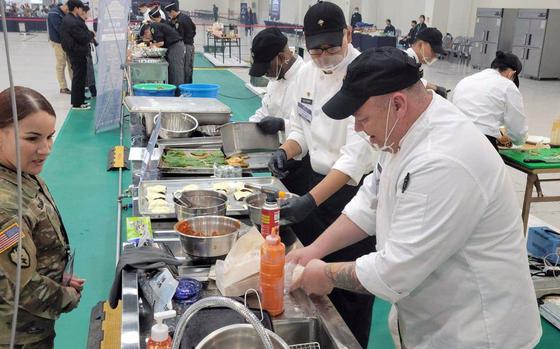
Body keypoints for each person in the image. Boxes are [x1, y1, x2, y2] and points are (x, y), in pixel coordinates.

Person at [288, 46, 542, 349]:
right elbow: (369, 202)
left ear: (397, 104)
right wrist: (313, 250)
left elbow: (395, 271)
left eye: (362, 118)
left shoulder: (444, 159)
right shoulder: (402, 132)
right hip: (436, 318)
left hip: (478, 331)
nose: (357, 129)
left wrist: (326, 273)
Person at [268, 2, 377, 346]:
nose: (323, 55)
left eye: (331, 46)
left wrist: (310, 201)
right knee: (311, 283)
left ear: (348, 33)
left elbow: (354, 159)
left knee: (348, 291)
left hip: (352, 196)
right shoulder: (306, 72)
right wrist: (286, 150)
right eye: (316, 49)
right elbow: (300, 125)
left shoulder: (365, 74)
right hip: (317, 185)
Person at [0, 86, 85, 349]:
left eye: (50, 137)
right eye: (32, 138)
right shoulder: (6, 209)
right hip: (19, 335)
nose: (46, 149)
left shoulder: (21, 173)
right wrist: (66, 297)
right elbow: (19, 288)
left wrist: (55, 272)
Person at [248, 28, 305, 194]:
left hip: (302, 162)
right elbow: (264, 111)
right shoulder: (275, 79)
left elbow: (312, 127)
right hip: (279, 157)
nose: (266, 73)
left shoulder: (305, 77)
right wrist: (240, 132)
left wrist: (282, 124)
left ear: (282, 57)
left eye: (267, 67)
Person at [453, 51, 527, 150]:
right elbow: (518, 132)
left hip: (453, 136)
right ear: (511, 74)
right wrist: (518, 140)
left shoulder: (466, 80)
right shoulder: (508, 86)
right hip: (481, 143)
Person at [60, 0, 94, 111]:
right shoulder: (72, 21)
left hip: (77, 51)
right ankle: (76, 103)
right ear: (76, 8)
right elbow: (83, 37)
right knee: (78, 77)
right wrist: (91, 34)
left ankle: (80, 100)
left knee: (80, 77)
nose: (82, 11)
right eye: (81, 8)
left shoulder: (70, 19)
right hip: (76, 52)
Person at [405, 27, 449, 98]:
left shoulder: (417, 62)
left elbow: (417, 81)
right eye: (433, 51)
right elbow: (411, 83)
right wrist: (435, 88)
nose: (435, 56)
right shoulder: (405, 61)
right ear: (420, 45)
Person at [149, 8, 186, 88]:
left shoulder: (154, 25)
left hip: (175, 46)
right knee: (172, 71)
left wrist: (152, 46)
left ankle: (178, 93)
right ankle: (172, 90)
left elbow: (160, 43)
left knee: (176, 72)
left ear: (151, 19)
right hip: (174, 46)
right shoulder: (163, 23)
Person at [164, 3, 196, 84]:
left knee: (185, 69)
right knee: (185, 68)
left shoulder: (180, 20)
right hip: (187, 44)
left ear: (172, 11)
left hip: (186, 46)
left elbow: (179, 35)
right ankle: (186, 87)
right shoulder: (184, 17)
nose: (169, 15)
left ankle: (186, 88)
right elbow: (194, 29)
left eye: (169, 13)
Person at [47, 1, 72, 95]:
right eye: (68, 11)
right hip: (58, 43)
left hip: (67, 42)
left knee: (71, 64)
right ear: (66, 7)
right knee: (61, 64)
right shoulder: (54, 13)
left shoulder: (63, 13)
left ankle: (76, 84)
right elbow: (61, 30)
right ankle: (63, 87)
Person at [81, 5, 97, 98]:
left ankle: (92, 90)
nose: (89, 14)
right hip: (84, 51)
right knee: (88, 72)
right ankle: (92, 91)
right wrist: (91, 34)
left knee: (89, 72)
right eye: (88, 12)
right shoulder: (79, 23)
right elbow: (84, 36)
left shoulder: (83, 22)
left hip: (86, 49)